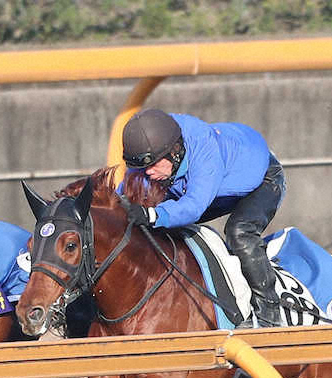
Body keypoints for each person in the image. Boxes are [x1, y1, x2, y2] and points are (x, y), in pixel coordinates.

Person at [120, 108, 286, 327]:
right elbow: (125, 193)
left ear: (175, 151)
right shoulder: (155, 146)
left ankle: (270, 315)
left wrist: (152, 214)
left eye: (153, 165)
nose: (148, 173)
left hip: (262, 178)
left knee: (239, 233)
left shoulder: (203, 150)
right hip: (211, 187)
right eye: (143, 167)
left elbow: (193, 206)